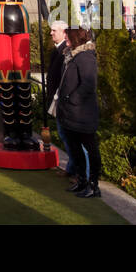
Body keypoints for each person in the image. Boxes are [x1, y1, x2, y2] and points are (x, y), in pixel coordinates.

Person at [54, 26, 101, 198]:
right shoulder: (71, 56)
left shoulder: (85, 58)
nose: (65, 39)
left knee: (90, 150)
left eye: (67, 37)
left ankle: (93, 185)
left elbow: (88, 85)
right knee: (75, 150)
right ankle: (81, 181)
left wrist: (71, 99)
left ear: (75, 39)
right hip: (71, 114)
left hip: (83, 115)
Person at [43, 20, 77, 179]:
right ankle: (72, 168)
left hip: (62, 100)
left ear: (64, 33)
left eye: (54, 30)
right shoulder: (57, 50)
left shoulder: (64, 50)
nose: (51, 33)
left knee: (66, 135)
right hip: (57, 99)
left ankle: (74, 169)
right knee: (64, 134)